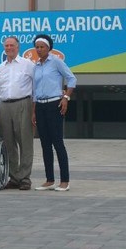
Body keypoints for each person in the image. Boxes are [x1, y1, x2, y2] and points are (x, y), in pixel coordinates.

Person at [31, 34, 76, 192]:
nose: (39, 49)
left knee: (58, 143)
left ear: (49, 47)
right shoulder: (35, 66)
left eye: (42, 46)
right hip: (41, 106)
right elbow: (34, 91)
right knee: (45, 144)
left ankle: (65, 180)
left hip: (54, 104)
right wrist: (34, 111)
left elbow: (72, 79)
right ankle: (49, 179)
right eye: (37, 47)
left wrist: (66, 97)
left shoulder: (56, 61)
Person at [0, 36, 35, 191]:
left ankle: (25, 178)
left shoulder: (28, 64)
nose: (9, 48)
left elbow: (35, 87)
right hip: (5, 105)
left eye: (12, 45)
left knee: (25, 142)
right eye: (6, 45)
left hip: (23, 104)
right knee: (8, 143)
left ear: (18, 47)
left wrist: (34, 109)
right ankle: (14, 177)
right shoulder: (1, 67)